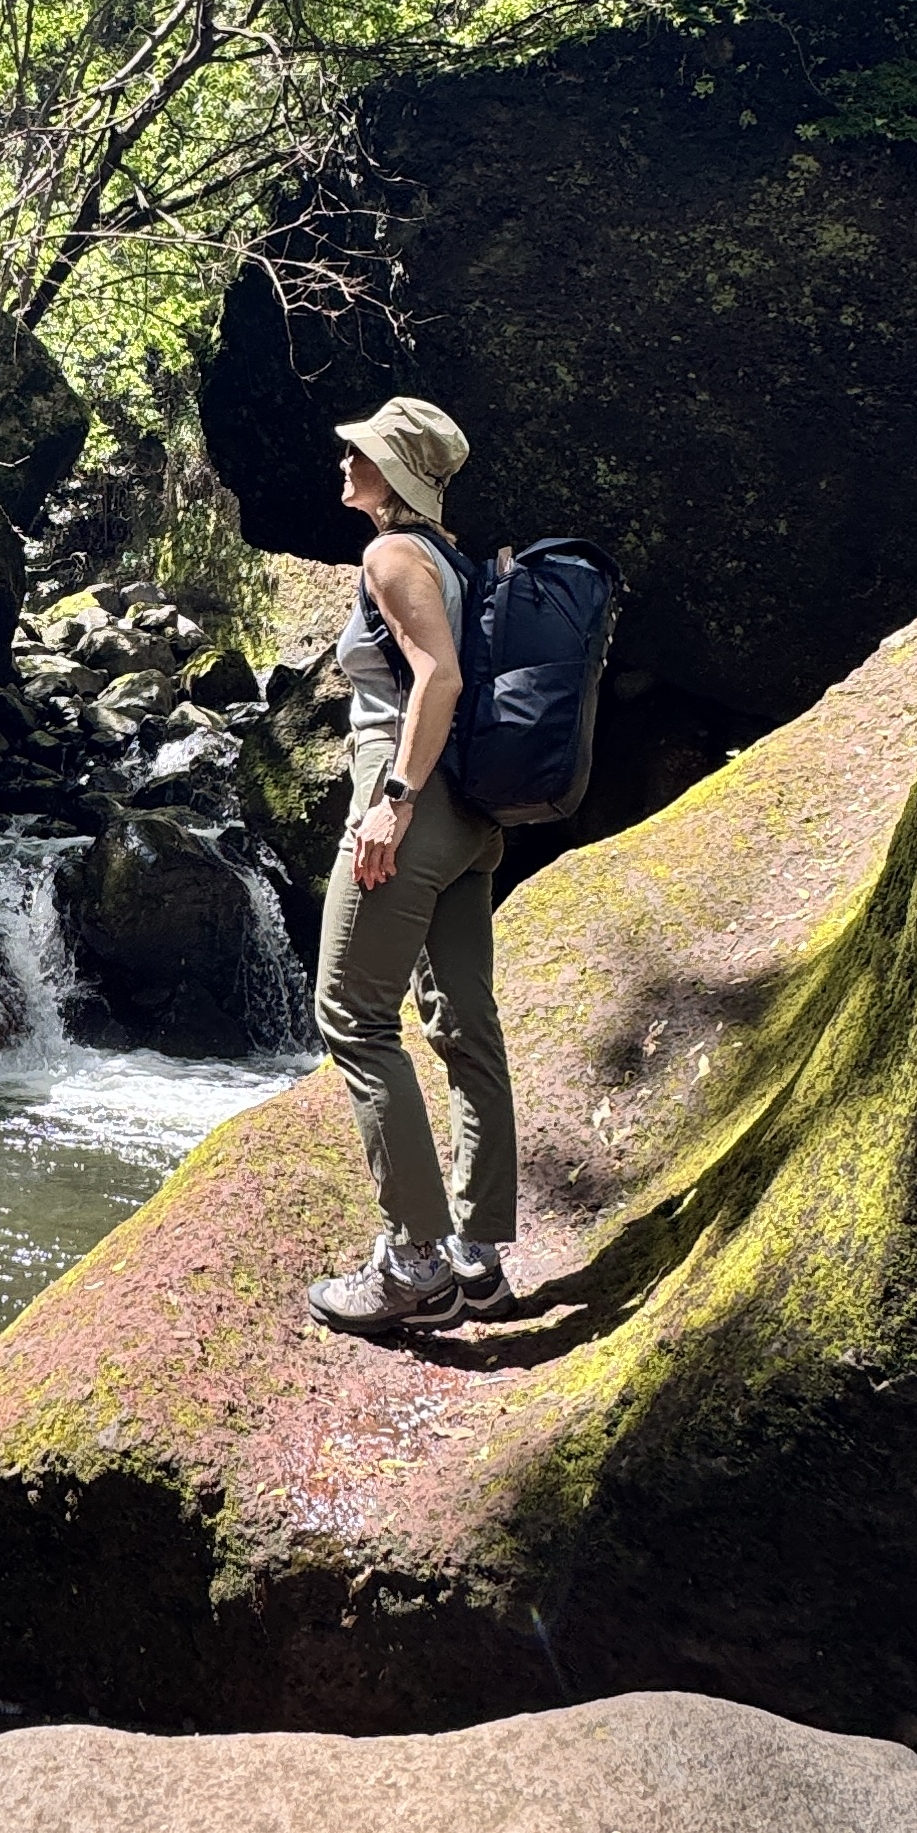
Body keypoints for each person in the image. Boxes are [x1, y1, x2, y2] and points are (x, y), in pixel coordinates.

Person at [305, 394, 521, 1335]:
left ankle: (414, 1264)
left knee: (351, 1017)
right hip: (470, 815)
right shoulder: (456, 560)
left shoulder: (393, 555)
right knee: (466, 1024)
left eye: (360, 452)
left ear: (393, 474)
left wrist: (391, 802)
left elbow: (439, 676)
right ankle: (479, 1255)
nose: (345, 460)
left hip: (413, 799)